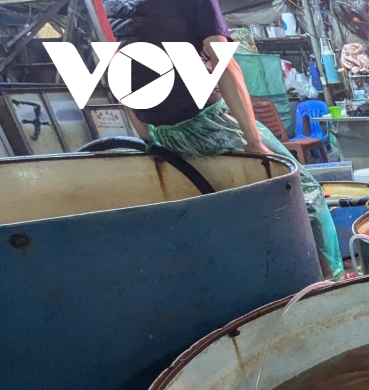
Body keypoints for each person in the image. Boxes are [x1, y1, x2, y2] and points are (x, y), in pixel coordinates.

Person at [105, 0, 343, 281]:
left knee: (217, 206)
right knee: (304, 192)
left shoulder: (114, 4)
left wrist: (149, 141)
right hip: (206, 122)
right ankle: (331, 282)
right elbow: (225, 64)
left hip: (160, 132)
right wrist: (254, 141)